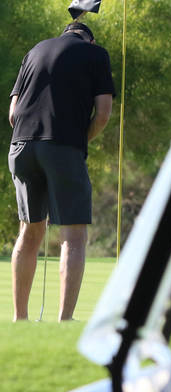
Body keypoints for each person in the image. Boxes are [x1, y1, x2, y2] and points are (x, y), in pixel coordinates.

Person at [9, 22, 113, 321]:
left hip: (20, 147)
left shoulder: (35, 51)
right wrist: (79, 141)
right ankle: (65, 320)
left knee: (29, 231)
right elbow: (103, 114)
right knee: (74, 236)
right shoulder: (96, 54)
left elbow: (13, 114)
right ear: (89, 40)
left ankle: (20, 318)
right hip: (63, 146)